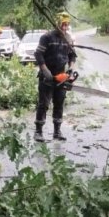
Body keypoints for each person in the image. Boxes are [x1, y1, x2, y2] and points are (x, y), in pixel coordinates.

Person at [34, 13, 77, 142]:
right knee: (44, 104)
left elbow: (72, 56)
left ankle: (57, 131)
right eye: (63, 24)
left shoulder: (68, 39)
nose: (64, 27)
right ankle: (38, 131)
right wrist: (45, 70)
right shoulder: (46, 37)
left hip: (61, 75)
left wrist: (71, 68)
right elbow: (38, 54)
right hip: (47, 75)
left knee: (59, 104)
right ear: (57, 24)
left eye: (66, 24)